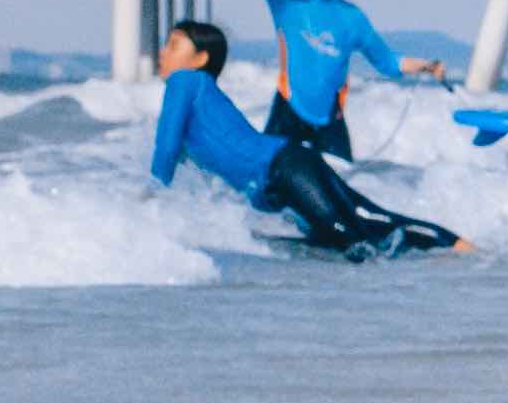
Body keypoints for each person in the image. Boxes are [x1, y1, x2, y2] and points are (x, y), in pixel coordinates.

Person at [145, 19, 461, 260]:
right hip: (285, 172)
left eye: (173, 45)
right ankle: (456, 248)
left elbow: (166, 148)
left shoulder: (184, 80)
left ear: (200, 58)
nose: (162, 52)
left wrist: (151, 201)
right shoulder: (197, 92)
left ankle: (446, 258)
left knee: (353, 239)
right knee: (363, 227)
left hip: (285, 168)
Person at [252, 0, 444, 159]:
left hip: (329, 118)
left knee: (346, 175)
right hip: (288, 109)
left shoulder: (352, 17)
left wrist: (427, 66)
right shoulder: (287, 4)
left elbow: (388, 62)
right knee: (265, 172)